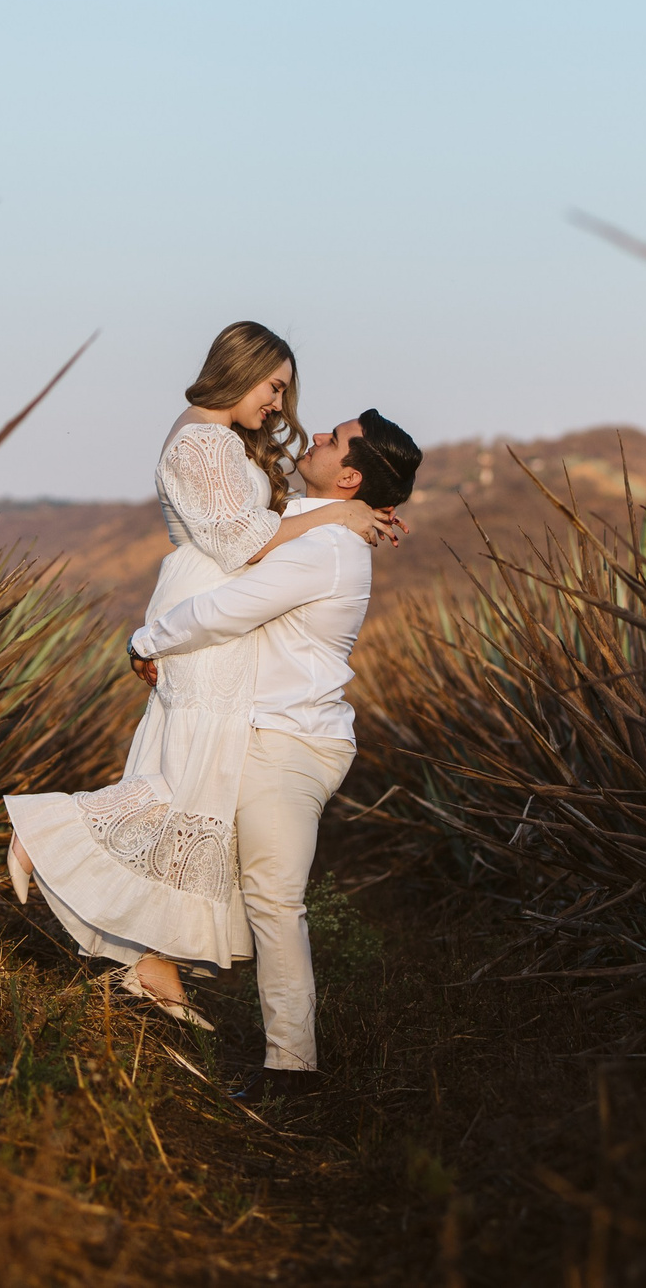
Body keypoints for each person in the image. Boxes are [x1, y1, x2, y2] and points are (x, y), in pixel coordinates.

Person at [2, 324, 401, 1025]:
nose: (280, 404)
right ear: (240, 370)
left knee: (195, 776)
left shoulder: (219, 439)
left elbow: (256, 530)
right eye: (273, 386)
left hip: (211, 610)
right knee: (191, 776)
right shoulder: (205, 441)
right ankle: (48, 827)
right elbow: (242, 543)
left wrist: (345, 509)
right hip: (206, 608)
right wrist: (340, 509)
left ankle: (155, 966)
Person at [126, 409, 421, 1093]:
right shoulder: (327, 528)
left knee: (274, 900)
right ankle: (152, 969)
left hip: (288, 743)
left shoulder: (328, 549)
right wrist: (352, 515)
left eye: (333, 439)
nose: (315, 434)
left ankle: (292, 1068)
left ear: (349, 474)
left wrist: (148, 639)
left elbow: (233, 605)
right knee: (188, 841)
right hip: (259, 730)